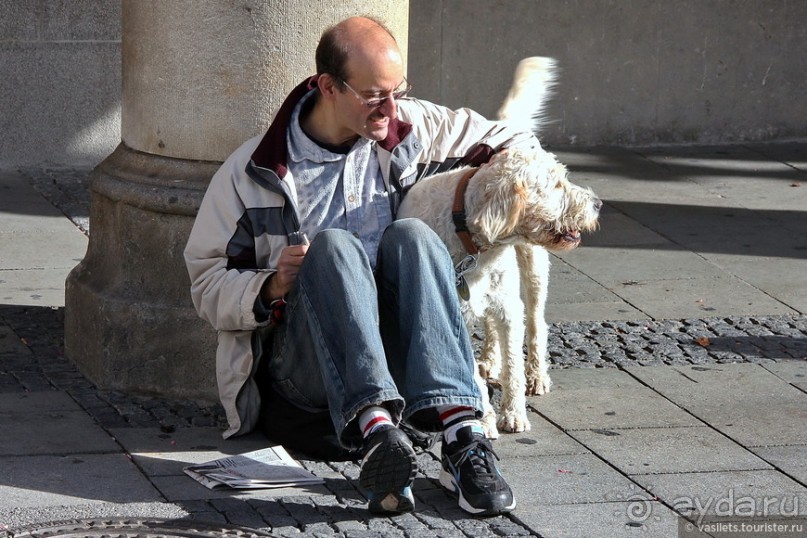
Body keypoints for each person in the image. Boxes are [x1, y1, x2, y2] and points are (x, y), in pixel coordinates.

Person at [184, 16, 537, 516]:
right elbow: (205, 284)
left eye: (399, 91)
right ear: (328, 86)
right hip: (307, 383)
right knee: (333, 247)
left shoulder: (410, 129)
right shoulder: (254, 173)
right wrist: (271, 286)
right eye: (374, 95)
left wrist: (485, 200)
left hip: (404, 377)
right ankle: (375, 434)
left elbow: (512, 141)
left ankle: (462, 436)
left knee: (413, 235)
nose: (391, 109)